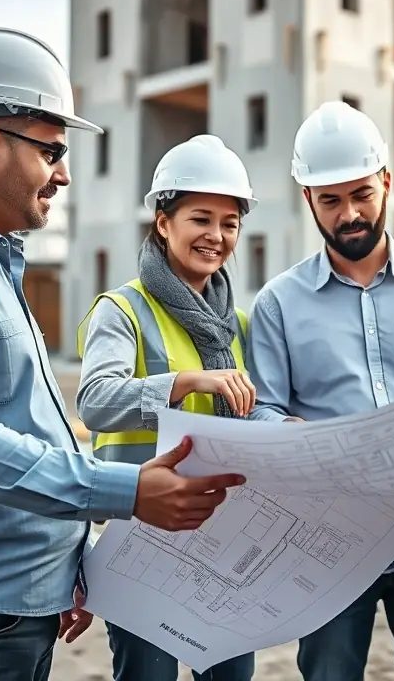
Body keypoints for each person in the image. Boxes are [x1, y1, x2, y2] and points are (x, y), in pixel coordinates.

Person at [0, 27, 244, 681]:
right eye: (51, 152)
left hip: (2, 607)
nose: (64, 174)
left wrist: (64, 559)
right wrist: (125, 491)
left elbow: (24, 429)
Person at [246, 100, 394, 681]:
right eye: (330, 201)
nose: (349, 213)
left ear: (386, 180)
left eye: (361, 194)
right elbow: (261, 409)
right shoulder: (278, 304)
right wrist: (289, 434)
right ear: (308, 199)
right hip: (327, 543)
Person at [76, 134, 258, 681]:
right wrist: (185, 381)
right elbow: (95, 403)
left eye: (229, 223)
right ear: (163, 221)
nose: (216, 236)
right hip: (141, 542)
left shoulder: (238, 325)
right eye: (201, 218)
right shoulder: (122, 310)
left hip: (225, 545)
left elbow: (255, 420)